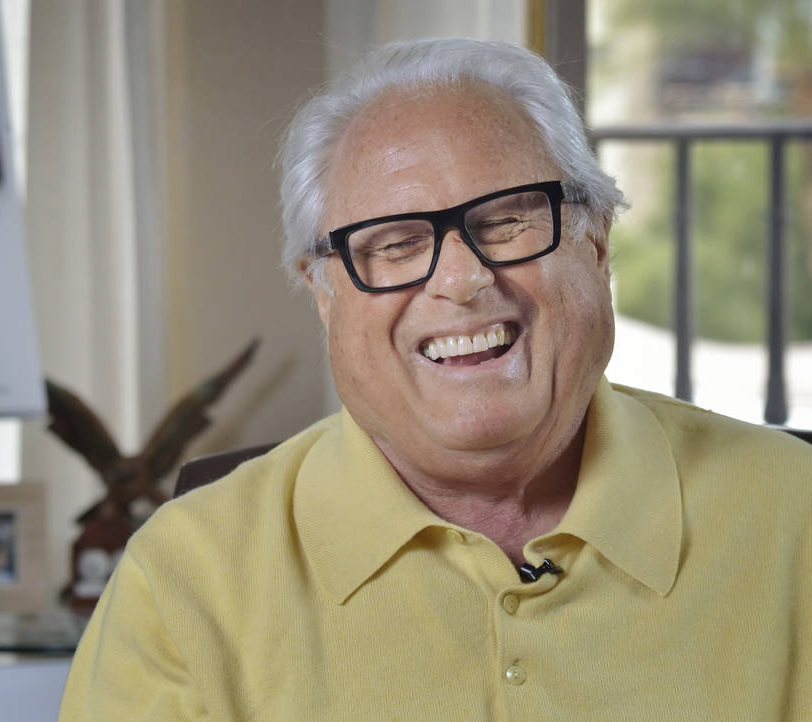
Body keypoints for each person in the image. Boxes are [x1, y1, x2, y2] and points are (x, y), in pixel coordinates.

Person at [59, 37, 812, 720]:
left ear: (598, 243)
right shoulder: (186, 578)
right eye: (392, 243)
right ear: (323, 294)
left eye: (509, 220)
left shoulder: (796, 516)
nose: (461, 278)